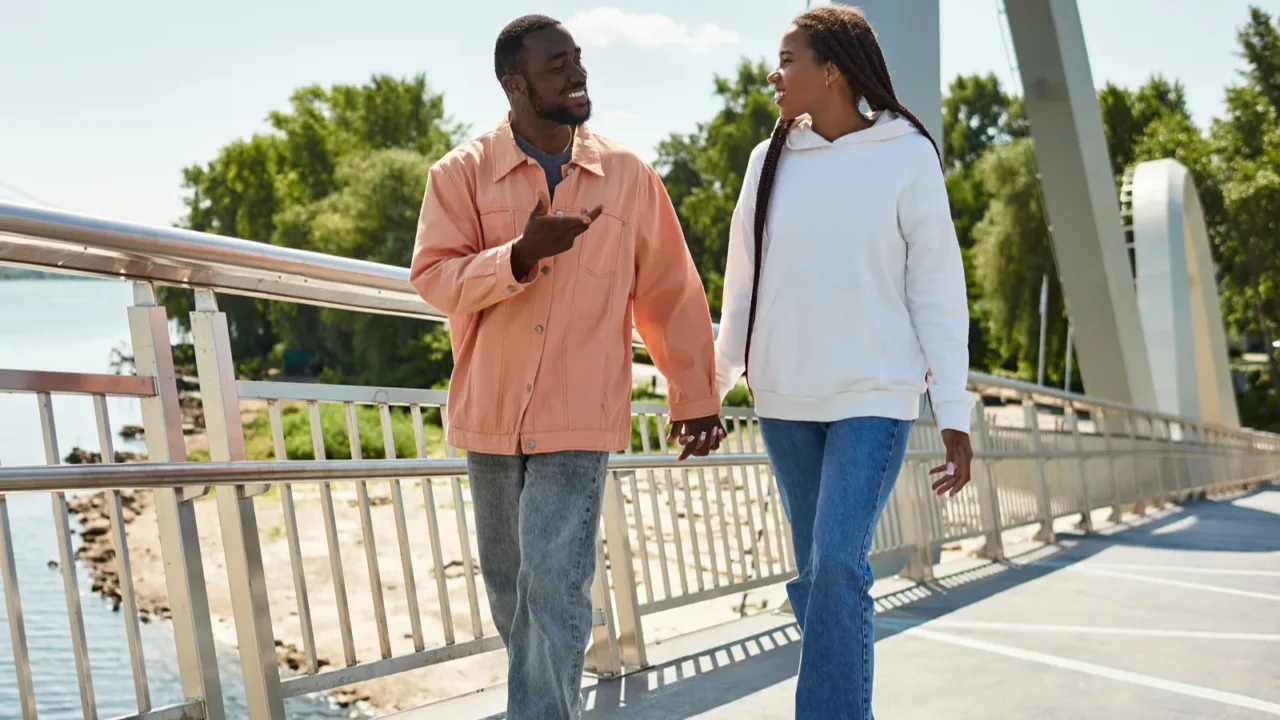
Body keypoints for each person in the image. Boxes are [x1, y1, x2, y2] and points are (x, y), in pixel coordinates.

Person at [409, 14, 725, 720]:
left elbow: (671, 290)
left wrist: (694, 395)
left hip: (579, 417)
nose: (577, 74)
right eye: (558, 66)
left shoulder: (627, 177)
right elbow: (432, 278)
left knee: (553, 585)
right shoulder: (459, 174)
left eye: (578, 60)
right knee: (510, 591)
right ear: (515, 84)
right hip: (490, 413)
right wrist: (517, 258)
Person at [713, 6, 974, 719]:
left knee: (836, 563)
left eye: (787, 59)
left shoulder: (906, 155)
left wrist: (954, 411)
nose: (774, 74)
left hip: (875, 394)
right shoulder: (768, 161)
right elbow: (741, 284)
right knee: (815, 575)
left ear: (830, 70)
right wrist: (713, 388)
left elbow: (938, 291)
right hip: (786, 399)